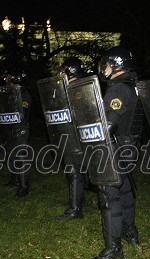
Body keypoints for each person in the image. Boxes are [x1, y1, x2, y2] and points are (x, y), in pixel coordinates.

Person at [91, 46, 141, 259]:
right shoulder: (132, 86)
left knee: (109, 194)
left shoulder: (118, 89)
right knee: (125, 189)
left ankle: (114, 248)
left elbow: (108, 124)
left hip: (116, 147)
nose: (105, 68)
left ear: (117, 64)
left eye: (107, 64)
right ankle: (130, 231)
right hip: (130, 145)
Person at [59, 57, 89, 220]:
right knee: (77, 170)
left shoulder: (77, 89)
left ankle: (75, 209)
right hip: (72, 135)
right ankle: (78, 200)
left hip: (75, 137)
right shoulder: (75, 87)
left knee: (74, 171)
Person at [4, 69, 32, 197]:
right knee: (12, 156)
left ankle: (23, 186)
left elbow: (22, 112)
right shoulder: (12, 93)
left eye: (11, 80)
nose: (10, 83)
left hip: (20, 130)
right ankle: (14, 179)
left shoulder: (23, 94)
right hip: (11, 129)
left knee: (21, 158)